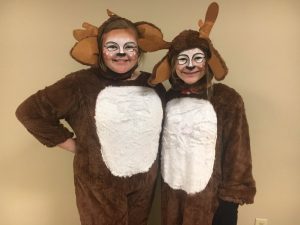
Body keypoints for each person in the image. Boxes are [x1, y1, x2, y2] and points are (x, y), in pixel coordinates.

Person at [15, 10, 166, 225]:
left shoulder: (151, 84)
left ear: (138, 50)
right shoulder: (80, 84)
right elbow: (29, 112)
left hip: (142, 188)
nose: (121, 53)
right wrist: (77, 146)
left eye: (129, 47)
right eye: (112, 46)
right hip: (100, 192)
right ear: (101, 50)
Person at [145, 2, 256, 225]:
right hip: (173, 195)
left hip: (213, 200)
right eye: (182, 59)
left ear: (208, 61)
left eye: (197, 58)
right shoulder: (167, 99)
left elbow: (238, 151)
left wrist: (230, 199)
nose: (190, 65)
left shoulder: (226, 99)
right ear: (173, 64)